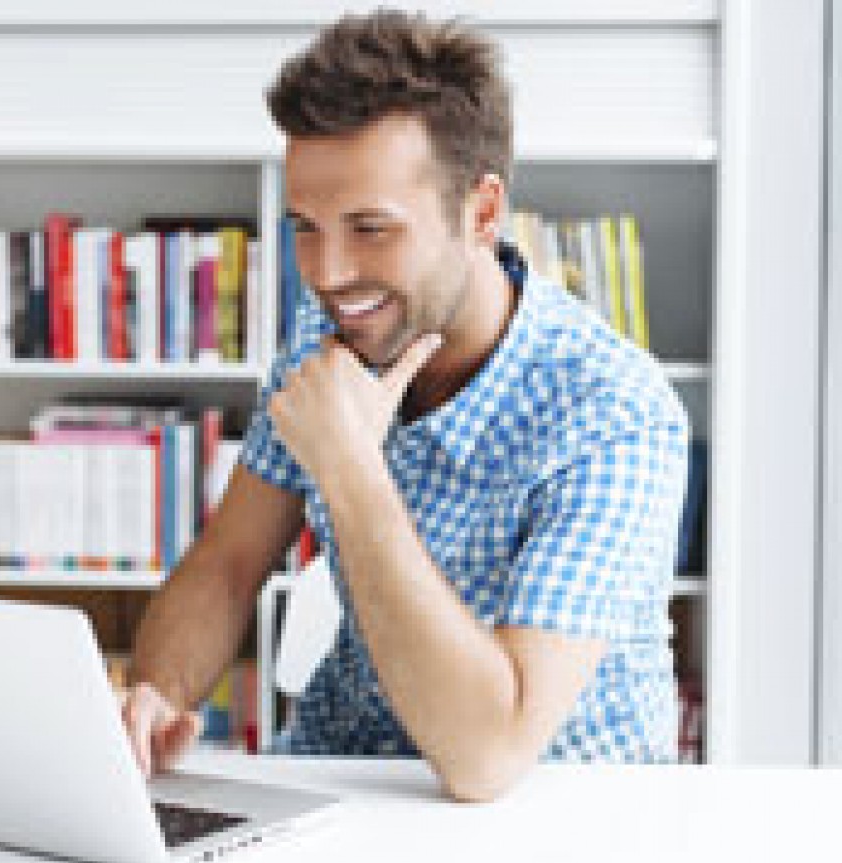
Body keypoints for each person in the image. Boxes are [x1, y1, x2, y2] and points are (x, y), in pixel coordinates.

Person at [121, 10, 689, 802]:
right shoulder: (330, 339)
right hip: (343, 777)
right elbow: (226, 566)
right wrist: (160, 692)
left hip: (557, 811)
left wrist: (352, 467)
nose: (327, 272)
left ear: (483, 213)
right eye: (306, 229)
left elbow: (487, 760)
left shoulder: (613, 412)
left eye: (370, 229)